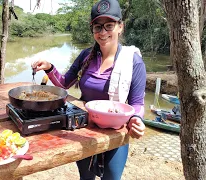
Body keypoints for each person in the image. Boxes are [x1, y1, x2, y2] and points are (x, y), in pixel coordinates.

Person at [32, 0, 146, 179]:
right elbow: (64, 84)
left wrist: (136, 120)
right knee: (85, 177)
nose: (103, 32)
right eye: (97, 27)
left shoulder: (132, 61)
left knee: (111, 177)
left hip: (115, 132)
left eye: (109, 26)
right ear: (92, 29)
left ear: (120, 27)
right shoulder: (86, 56)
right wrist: (49, 67)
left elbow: (136, 103)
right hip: (85, 127)